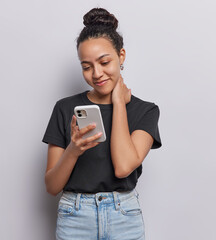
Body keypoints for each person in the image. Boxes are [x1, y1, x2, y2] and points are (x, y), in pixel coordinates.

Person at [42, 7, 162, 240]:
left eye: (104, 62)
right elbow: (52, 186)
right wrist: (73, 151)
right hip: (75, 217)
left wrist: (118, 103)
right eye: (86, 67)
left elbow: (123, 167)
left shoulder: (145, 111)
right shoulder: (65, 108)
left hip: (124, 217)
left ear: (121, 56)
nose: (96, 74)